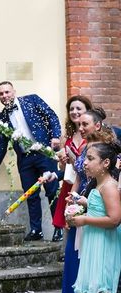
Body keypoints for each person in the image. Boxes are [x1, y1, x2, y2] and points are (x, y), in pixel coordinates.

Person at [0, 81, 61, 241]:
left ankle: (58, 229)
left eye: (7, 92)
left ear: (14, 92)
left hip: (44, 153)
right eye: (1, 94)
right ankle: (36, 230)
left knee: (52, 191)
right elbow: (1, 145)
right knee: (31, 195)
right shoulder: (1, 118)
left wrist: (55, 135)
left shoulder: (32, 100)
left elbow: (51, 115)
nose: (4, 96)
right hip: (25, 160)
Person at [67, 142, 121, 293]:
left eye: (90, 159)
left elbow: (115, 219)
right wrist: (84, 202)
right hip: (97, 241)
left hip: (105, 244)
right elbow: (102, 207)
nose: (85, 163)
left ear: (105, 163)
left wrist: (84, 219)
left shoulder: (108, 186)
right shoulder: (100, 185)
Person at [51, 95, 92, 243]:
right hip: (71, 183)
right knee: (70, 224)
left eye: (78, 108)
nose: (74, 111)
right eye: (71, 109)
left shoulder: (92, 134)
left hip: (88, 183)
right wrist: (63, 161)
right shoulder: (66, 136)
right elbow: (64, 168)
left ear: (87, 111)